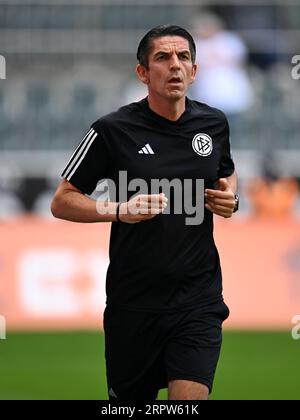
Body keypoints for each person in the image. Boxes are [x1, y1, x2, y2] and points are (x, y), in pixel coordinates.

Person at [51, 24, 238, 401]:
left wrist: (231, 198)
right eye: (163, 57)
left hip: (197, 299)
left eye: (183, 57)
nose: (175, 66)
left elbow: (226, 173)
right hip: (133, 305)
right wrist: (119, 209)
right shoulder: (111, 130)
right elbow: (62, 200)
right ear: (142, 72)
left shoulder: (213, 124)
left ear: (195, 70)